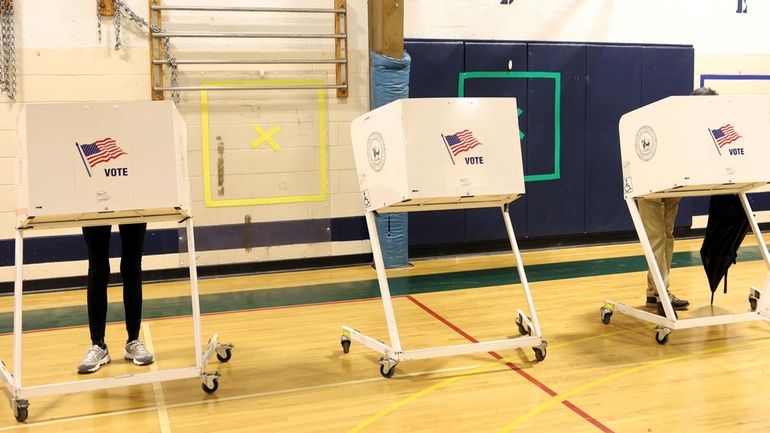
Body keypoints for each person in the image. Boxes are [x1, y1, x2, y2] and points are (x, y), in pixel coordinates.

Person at [639, 86, 718, 312]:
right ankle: (663, 293)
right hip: (651, 185)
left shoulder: (695, 125)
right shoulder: (670, 119)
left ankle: (654, 293)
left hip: (673, 185)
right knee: (656, 238)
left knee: (666, 235)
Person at [77, 223, 154, 374]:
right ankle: (98, 345)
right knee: (97, 267)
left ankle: (133, 340)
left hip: (132, 202)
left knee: (132, 265)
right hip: (93, 202)